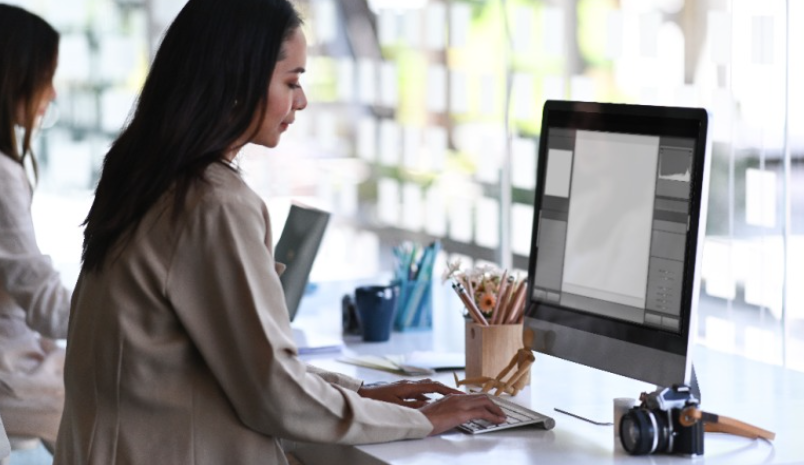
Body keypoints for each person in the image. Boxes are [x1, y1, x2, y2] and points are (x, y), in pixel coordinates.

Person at [54, 0, 505, 463]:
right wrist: (423, 420)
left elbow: (238, 366)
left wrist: (361, 393)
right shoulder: (214, 203)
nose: (302, 100)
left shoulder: (143, 175)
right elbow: (272, 393)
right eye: (291, 82)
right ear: (238, 79)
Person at [0, 3, 70, 455]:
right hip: (11, 369)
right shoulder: (2, 175)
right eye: (47, 76)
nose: (53, 92)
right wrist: (123, 316)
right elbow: (42, 300)